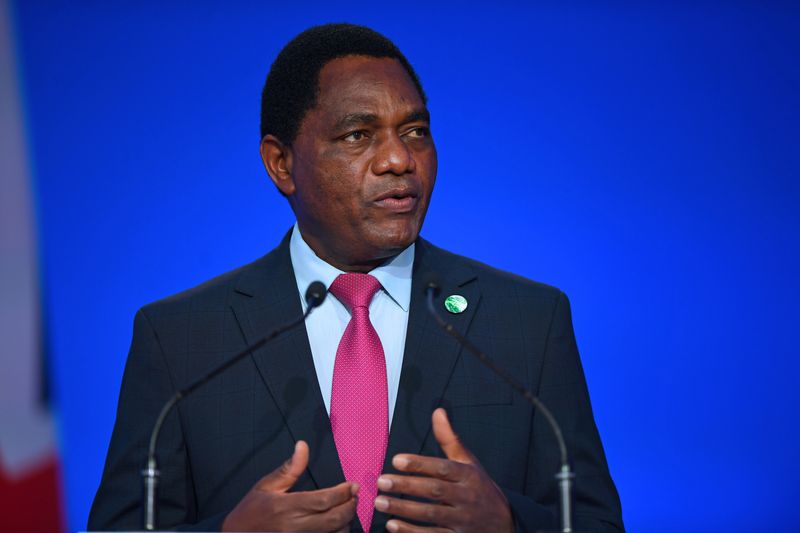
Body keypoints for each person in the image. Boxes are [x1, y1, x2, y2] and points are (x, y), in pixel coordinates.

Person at [88, 23, 624, 533]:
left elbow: (599, 523)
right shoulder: (183, 338)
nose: (398, 159)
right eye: (358, 135)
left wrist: (509, 523)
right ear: (280, 164)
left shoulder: (525, 322)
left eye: (414, 131)